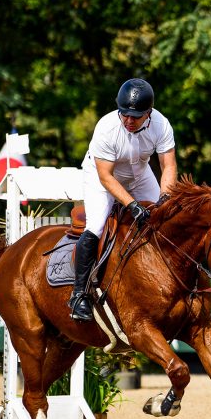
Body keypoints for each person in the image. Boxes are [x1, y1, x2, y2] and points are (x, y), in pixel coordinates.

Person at [69, 78, 178, 321]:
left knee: (165, 221)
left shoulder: (161, 125)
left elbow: (168, 166)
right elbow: (106, 176)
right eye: (124, 114)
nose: (128, 120)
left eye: (135, 116)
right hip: (103, 178)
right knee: (96, 225)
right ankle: (79, 295)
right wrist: (132, 205)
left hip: (139, 174)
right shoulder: (107, 128)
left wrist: (165, 200)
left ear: (148, 113)